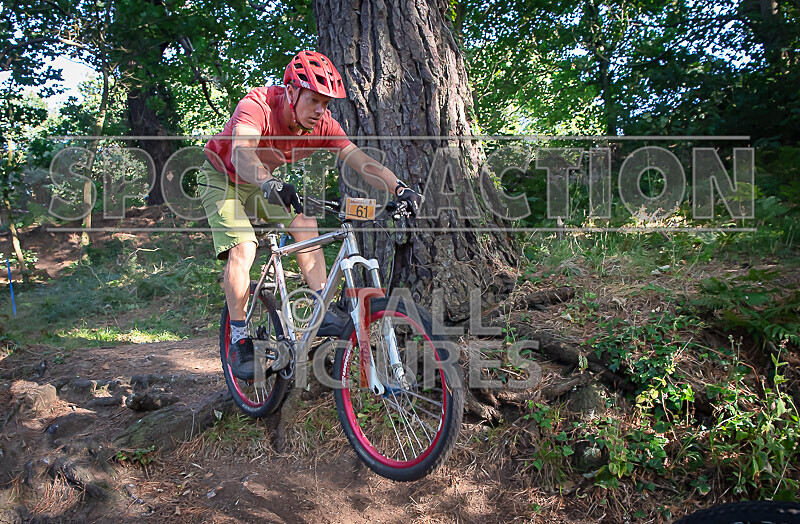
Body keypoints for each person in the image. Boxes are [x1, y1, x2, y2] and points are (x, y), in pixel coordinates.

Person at [198, 50, 422, 380]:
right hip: (222, 177)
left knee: (305, 222)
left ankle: (321, 309)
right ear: (291, 91)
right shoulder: (257, 105)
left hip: (262, 183)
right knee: (244, 247)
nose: (321, 111)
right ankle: (240, 339)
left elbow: (360, 161)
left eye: (327, 104)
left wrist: (398, 188)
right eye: (314, 100)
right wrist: (269, 182)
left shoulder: (324, 125)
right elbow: (243, 153)